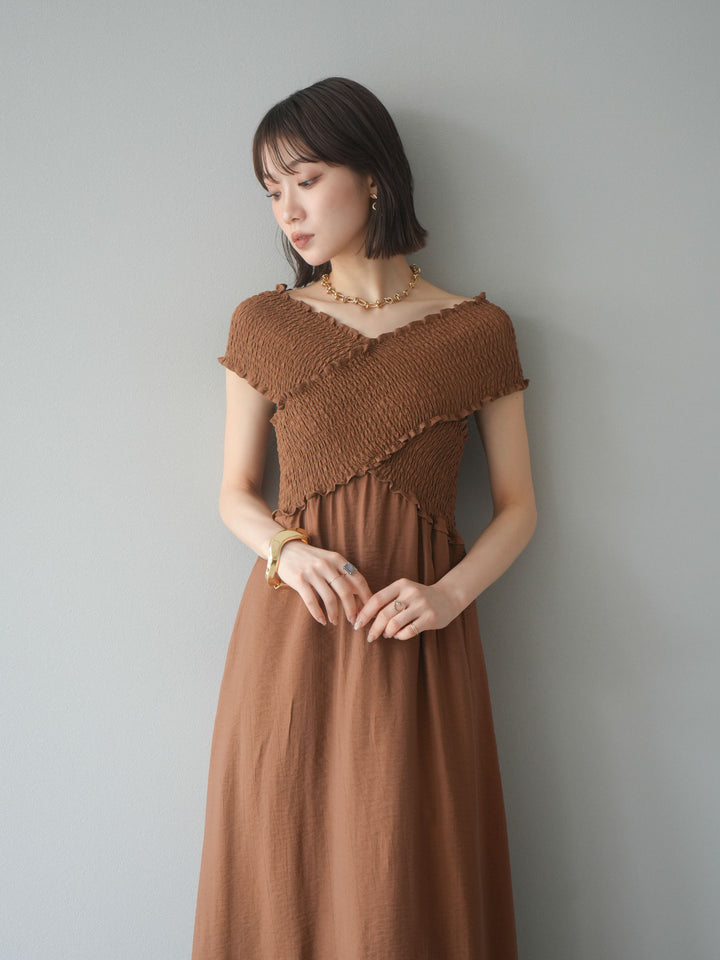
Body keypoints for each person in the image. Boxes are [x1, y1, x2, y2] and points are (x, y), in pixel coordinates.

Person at [192, 76, 537, 960]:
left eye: (305, 180)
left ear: (374, 175)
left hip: (416, 640)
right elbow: (234, 490)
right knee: (284, 859)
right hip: (294, 636)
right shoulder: (265, 323)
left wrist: (449, 596)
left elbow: (518, 508)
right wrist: (286, 551)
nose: (288, 211)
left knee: (403, 874)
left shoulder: (477, 331)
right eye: (272, 191)